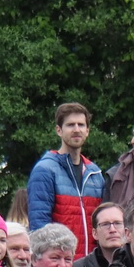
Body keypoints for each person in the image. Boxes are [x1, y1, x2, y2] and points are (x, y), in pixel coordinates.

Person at [26, 103, 106, 257]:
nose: (76, 129)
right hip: (61, 265)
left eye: (81, 125)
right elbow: (39, 228)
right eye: (70, 125)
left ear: (87, 131)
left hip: (92, 266)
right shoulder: (45, 170)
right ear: (59, 130)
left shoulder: (95, 173)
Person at [70, 203, 127, 267]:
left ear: (126, 230)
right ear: (94, 233)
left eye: (117, 223)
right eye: (105, 224)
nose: (112, 229)